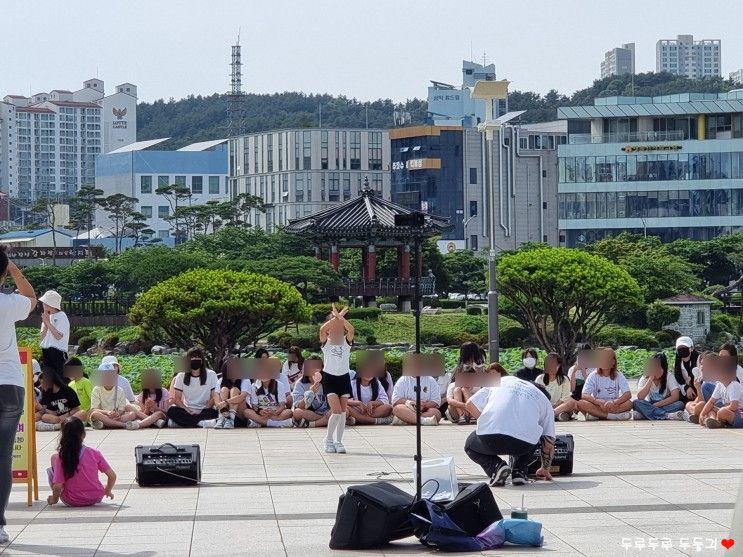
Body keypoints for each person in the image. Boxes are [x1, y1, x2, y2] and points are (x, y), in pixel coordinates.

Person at [0, 246, 35, 544]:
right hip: (10, 385)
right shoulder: (9, 303)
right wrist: (12, 268)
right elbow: (32, 299)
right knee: (3, 459)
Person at [464, 375, 555, 487]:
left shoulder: (503, 380)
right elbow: (548, 443)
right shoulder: (544, 400)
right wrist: (545, 469)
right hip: (522, 444)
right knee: (535, 433)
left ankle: (496, 467)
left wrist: (485, 422)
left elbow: (469, 404)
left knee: (470, 445)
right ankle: (519, 472)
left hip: (490, 438)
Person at [46, 418, 116, 507]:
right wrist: (107, 490)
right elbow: (112, 476)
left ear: (63, 436)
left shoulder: (62, 457)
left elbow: (58, 486)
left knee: (54, 458)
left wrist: (54, 499)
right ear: (84, 434)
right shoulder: (94, 453)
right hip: (95, 497)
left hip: (71, 499)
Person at [319, 303, 355, 453]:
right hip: (330, 378)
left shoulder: (346, 343)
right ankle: (328, 439)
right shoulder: (326, 344)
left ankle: (339, 442)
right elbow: (322, 329)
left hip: (344, 378)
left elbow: (351, 329)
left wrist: (340, 317)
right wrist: (335, 318)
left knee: (343, 412)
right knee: (336, 410)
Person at [166, 347, 221, 428]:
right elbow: (177, 398)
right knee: (171, 411)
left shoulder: (211, 374)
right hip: (187, 410)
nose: (195, 360)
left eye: (198, 357)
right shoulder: (181, 375)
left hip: (205, 409)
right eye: (192, 358)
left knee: (215, 413)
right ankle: (201, 423)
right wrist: (187, 410)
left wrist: (202, 410)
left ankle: (183, 422)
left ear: (202, 360)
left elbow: (214, 396)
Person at [577, 347, 633, 420]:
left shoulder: (619, 375)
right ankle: (613, 416)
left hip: (613, 405)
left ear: (613, 362)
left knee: (629, 404)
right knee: (581, 403)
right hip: (598, 405)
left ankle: (597, 415)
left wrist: (614, 402)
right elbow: (584, 395)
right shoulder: (593, 375)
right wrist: (598, 402)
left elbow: (628, 394)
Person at [632, 353, 685, 421]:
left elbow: (675, 396)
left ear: (663, 367)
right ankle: (668, 415)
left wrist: (656, 405)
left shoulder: (669, 376)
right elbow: (640, 397)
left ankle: (645, 414)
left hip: (664, 404)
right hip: (650, 403)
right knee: (636, 403)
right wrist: (651, 378)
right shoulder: (645, 377)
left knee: (680, 404)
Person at [89, 363, 141, 430]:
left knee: (132, 414)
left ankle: (108, 424)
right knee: (95, 414)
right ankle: (124, 425)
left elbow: (121, 409)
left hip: (116, 417)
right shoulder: (96, 389)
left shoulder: (120, 390)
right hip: (103, 415)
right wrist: (108, 413)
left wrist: (117, 414)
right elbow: (94, 409)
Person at [699, 355, 743, 429]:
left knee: (722, 412)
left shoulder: (734, 385)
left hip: (739, 414)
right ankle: (713, 420)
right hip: (729, 411)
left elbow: (734, 407)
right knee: (710, 408)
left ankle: (718, 420)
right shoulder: (720, 385)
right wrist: (702, 414)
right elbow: (711, 402)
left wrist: (720, 410)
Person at [446, 342, 485, 424]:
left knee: (463, 389)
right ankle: (465, 415)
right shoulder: (475, 369)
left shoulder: (459, 368)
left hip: (467, 407)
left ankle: (465, 416)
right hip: (461, 408)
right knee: (458, 390)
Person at [35, 367, 84, 431]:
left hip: (69, 417)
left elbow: (76, 409)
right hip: (56, 418)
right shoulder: (46, 394)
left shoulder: (68, 390)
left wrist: (66, 415)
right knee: (44, 417)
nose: (41, 386)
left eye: (43, 383)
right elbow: (52, 413)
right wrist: (41, 407)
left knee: (83, 413)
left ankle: (59, 426)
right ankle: (62, 425)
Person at [38, 290, 70, 381]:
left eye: (45, 302)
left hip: (58, 351)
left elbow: (58, 336)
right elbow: (42, 336)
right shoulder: (46, 316)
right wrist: (46, 323)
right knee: (49, 380)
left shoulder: (61, 316)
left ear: (51, 303)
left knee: (61, 378)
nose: (43, 304)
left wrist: (47, 322)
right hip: (46, 350)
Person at [536, 353, 576, 422]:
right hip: (544, 407)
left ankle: (552, 415)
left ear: (559, 366)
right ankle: (558, 415)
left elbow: (565, 398)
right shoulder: (540, 378)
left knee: (571, 403)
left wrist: (554, 407)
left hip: (559, 406)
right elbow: (537, 396)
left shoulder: (564, 379)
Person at [292, 356, 330, 427]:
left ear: (321, 368)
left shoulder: (327, 381)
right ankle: (328, 421)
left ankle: (312, 424)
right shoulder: (300, 383)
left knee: (344, 411)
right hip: (309, 413)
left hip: (325, 412)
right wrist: (310, 392)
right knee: (297, 413)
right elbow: (299, 406)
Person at [684, 352, 717, 423]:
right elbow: (700, 400)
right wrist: (698, 388)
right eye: (701, 364)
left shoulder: (718, 381)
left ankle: (696, 415)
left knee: (700, 405)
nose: (701, 367)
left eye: (705, 365)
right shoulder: (704, 380)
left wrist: (699, 388)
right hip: (707, 406)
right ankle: (697, 414)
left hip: (716, 407)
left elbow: (705, 402)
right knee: (688, 404)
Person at [214, 361, 248, 429]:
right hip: (225, 412)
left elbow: (242, 396)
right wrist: (220, 405)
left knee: (234, 390)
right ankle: (222, 418)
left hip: (240, 414)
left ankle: (231, 419)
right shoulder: (221, 380)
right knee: (224, 389)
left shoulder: (245, 380)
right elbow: (216, 395)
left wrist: (226, 402)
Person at [673, 336, 699, 404]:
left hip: (700, 390)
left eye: (684, 348)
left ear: (691, 348)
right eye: (679, 348)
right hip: (686, 393)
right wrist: (686, 388)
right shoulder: (676, 365)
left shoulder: (699, 361)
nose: (682, 350)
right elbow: (678, 382)